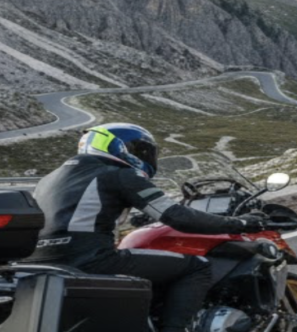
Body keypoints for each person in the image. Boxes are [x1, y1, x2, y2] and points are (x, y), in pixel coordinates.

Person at [26, 123, 270, 332]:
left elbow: (86, 212)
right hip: (90, 260)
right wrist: (241, 222)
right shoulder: (118, 174)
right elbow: (178, 217)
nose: (143, 156)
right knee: (196, 267)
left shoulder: (49, 179)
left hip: (38, 263)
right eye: (138, 150)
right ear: (118, 148)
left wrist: (142, 218)